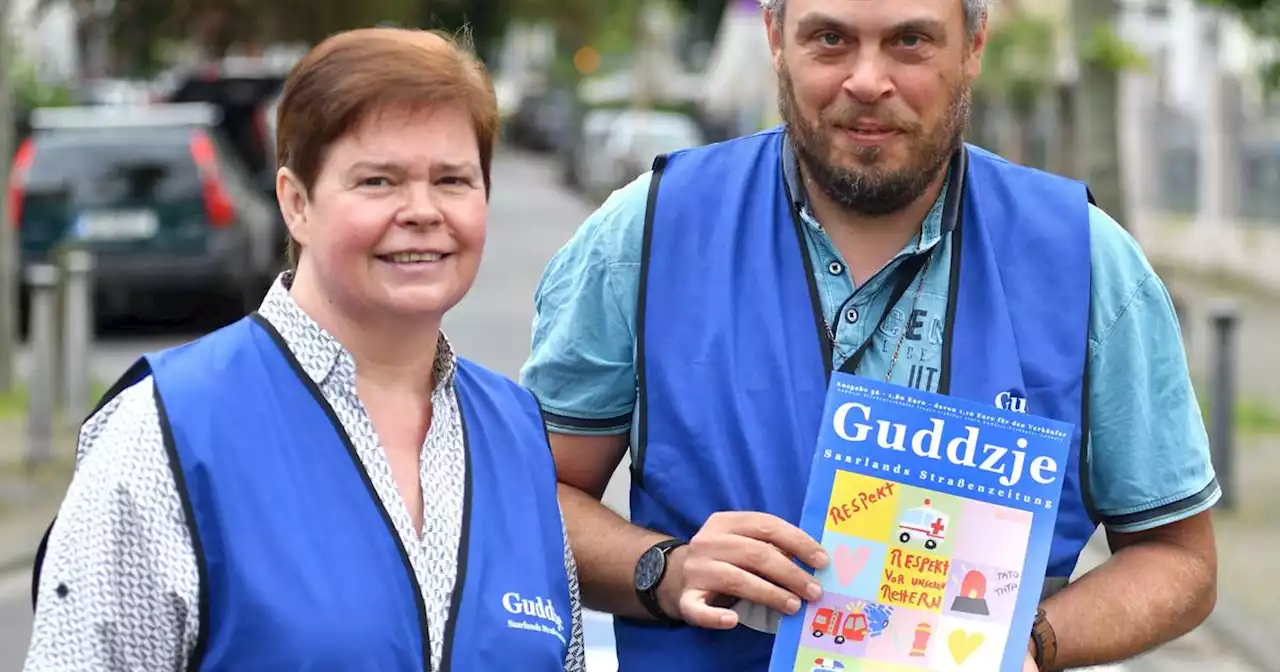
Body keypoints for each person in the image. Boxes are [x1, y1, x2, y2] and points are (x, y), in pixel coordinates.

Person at [521, 0, 1219, 670]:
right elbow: (528, 497)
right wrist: (660, 569)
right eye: (830, 38)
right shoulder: (650, 233)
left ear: (974, 45)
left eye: (910, 40)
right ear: (774, 36)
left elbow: (1180, 560)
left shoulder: (1084, 260)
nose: (866, 80)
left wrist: (1031, 642)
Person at [26, 27, 584, 671]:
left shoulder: (513, 432)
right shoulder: (168, 430)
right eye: (378, 181)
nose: (422, 211)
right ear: (296, 203)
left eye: (453, 180)